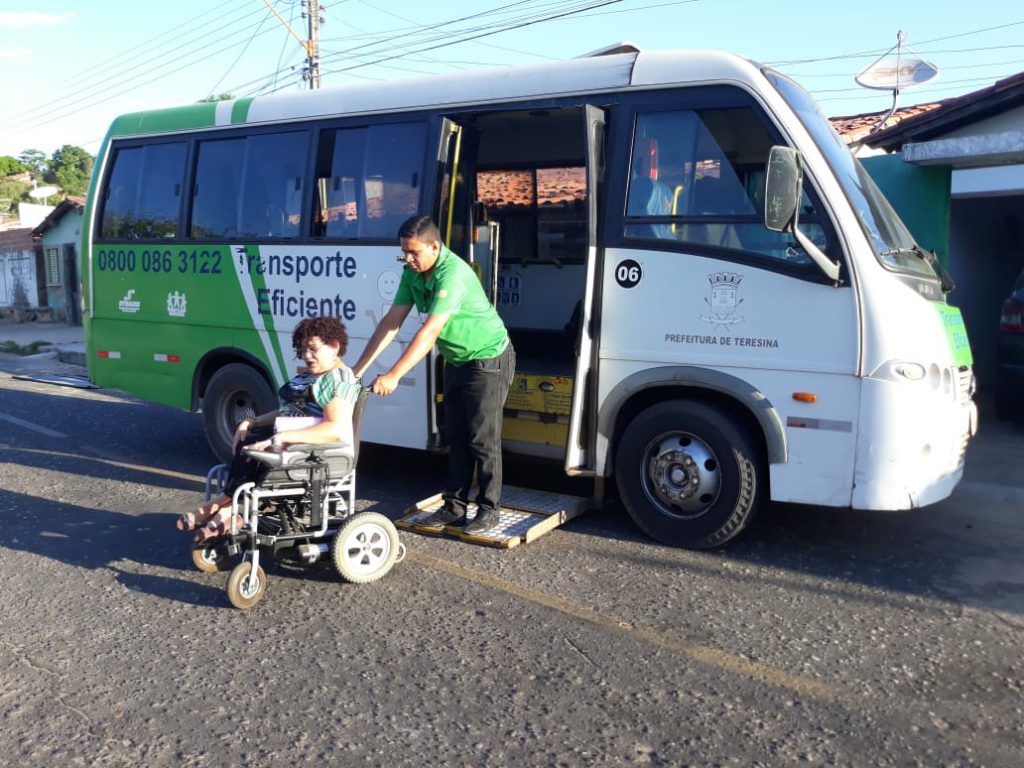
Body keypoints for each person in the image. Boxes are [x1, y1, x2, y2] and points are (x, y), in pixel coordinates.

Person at [352, 216, 515, 535]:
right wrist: (357, 369)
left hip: (489, 359)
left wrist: (395, 374)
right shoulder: (412, 274)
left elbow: (429, 332)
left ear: (434, 246)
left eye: (413, 253)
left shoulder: (452, 274)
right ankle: (454, 507)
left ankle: (488, 508)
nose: (408, 259)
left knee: (481, 439)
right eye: (403, 253)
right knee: (456, 437)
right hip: (456, 360)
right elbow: (391, 322)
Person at [176, 316, 360, 542]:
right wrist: (251, 422)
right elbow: (287, 411)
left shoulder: (339, 379)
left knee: (254, 449)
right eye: (303, 350)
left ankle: (220, 506)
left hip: (316, 449)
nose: (307, 356)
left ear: (334, 346)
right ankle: (231, 510)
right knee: (249, 442)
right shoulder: (310, 376)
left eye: (313, 349)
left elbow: (334, 428)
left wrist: (281, 437)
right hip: (293, 440)